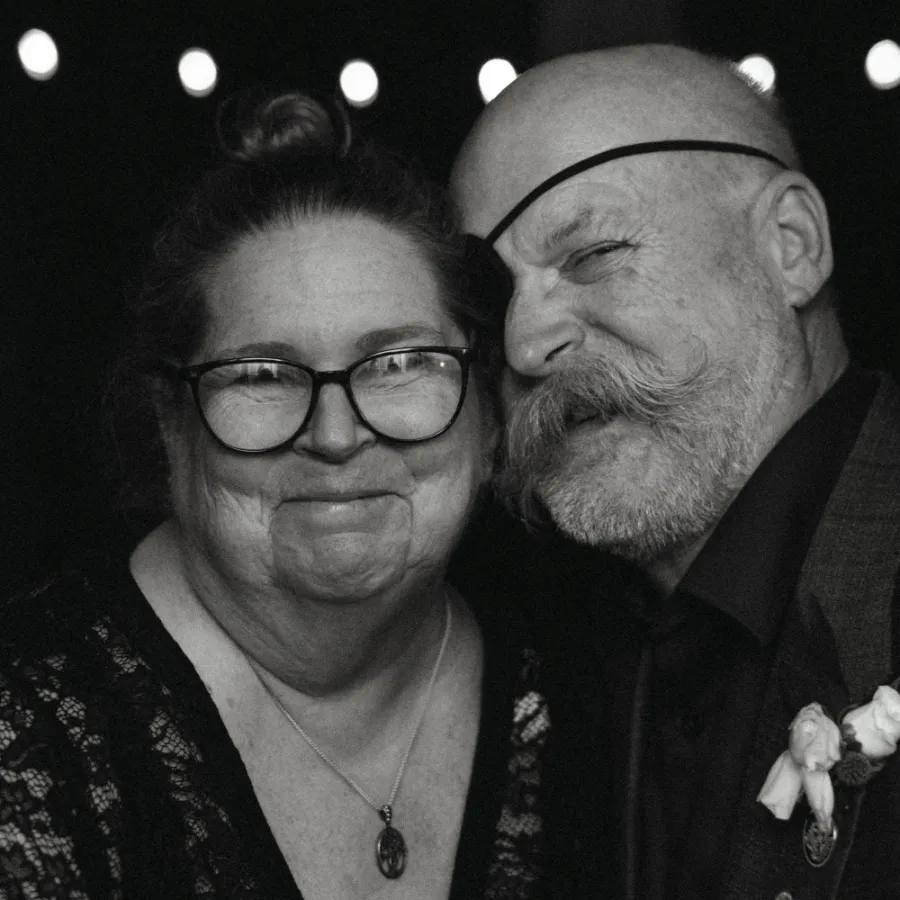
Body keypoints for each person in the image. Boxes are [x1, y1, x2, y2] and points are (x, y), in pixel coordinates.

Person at [0, 89, 549, 900]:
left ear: (488, 416)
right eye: (262, 374)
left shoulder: (586, 691)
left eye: (398, 363)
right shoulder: (28, 729)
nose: (333, 435)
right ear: (170, 428)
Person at [450, 44, 900, 900]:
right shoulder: (530, 658)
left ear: (792, 246)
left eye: (592, 254)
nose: (523, 345)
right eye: (490, 304)